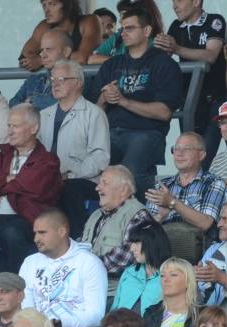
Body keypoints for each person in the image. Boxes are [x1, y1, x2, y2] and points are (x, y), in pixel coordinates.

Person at [93, 6, 183, 198]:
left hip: (146, 133)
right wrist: (104, 98)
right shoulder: (111, 65)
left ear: (147, 30)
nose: (123, 33)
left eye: (130, 28)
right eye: (122, 28)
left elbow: (164, 112)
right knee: (91, 172)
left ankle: (139, 213)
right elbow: (95, 111)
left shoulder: (164, 64)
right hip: (110, 132)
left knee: (128, 175)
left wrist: (123, 101)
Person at [0, 104, 64, 276]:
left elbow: (32, 186)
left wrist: (0, 179)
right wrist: (8, 178)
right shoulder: (1, 156)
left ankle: (18, 284)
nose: (10, 131)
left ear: (33, 128)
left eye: (15, 126)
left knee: (11, 232)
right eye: (9, 126)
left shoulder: (48, 160)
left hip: (25, 218)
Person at [19, 209, 108, 327]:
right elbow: (26, 307)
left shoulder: (89, 262)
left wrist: (61, 322)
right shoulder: (30, 263)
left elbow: (96, 315)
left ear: (62, 232)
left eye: (42, 233)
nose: (36, 239)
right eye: (35, 233)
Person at [41, 59, 111, 237]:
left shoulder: (94, 113)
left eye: (61, 79)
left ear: (78, 83)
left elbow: (100, 156)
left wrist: (71, 173)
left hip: (83, 180)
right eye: (52, 79)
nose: (55, 84)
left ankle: (77, 240)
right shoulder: (43, 115)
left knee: (68, 189)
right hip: (49, 179)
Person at [145, 132, 227, 263]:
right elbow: (145, 231)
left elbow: (205, 223)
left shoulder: (214, 182)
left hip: (200, 260)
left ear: (201, 155)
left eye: (186, 149)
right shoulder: (161, 186)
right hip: (164, 258)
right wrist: (160, 217)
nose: (179, 154)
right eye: (176, 149)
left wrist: (173, 202)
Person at [157, 0, 227, 161]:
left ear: (196, 2)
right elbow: (163, 59)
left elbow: (211, 55)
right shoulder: (176, 25)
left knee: (203, 158)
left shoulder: (214, 20)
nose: (174, 6)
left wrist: (176, 48)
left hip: (214, 100)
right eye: (173, 1)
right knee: (190, 156)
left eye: (179, 0)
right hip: (188, 100)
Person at [84, 168, 162, 295]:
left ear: (123, 190)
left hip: (116, 293)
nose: (97, 188)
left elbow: (127, 258)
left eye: (104, 183)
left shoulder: (137, 214)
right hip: (86, 288)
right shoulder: (95, 215)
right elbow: (81, 246)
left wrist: (83, 267)